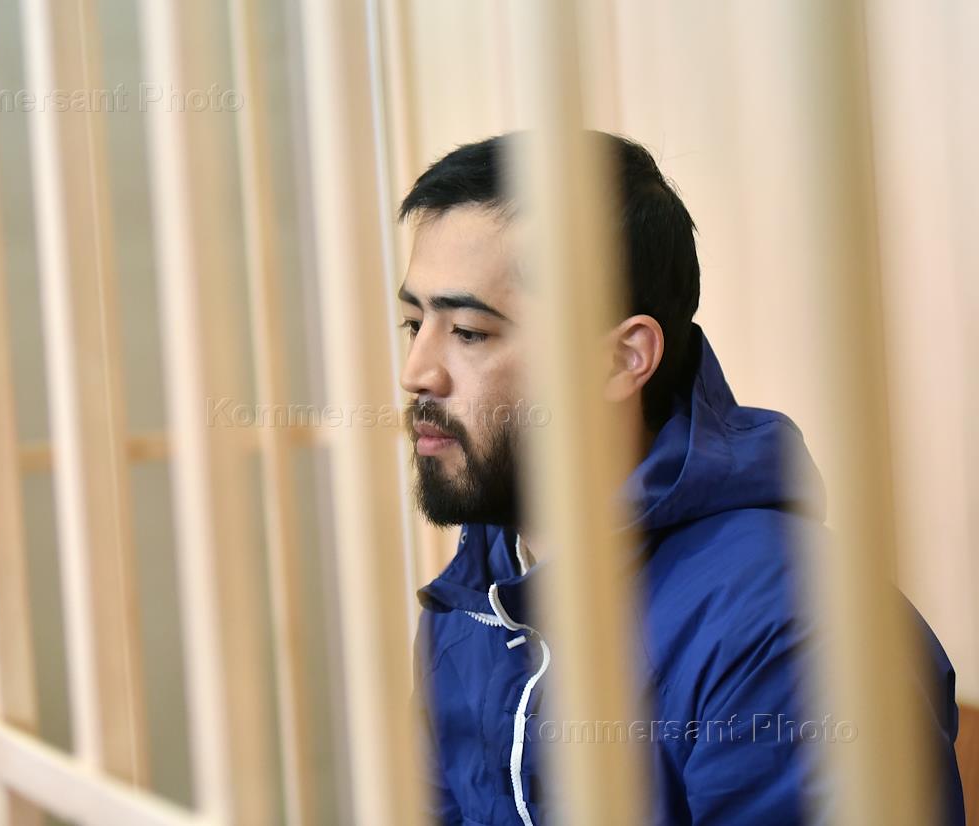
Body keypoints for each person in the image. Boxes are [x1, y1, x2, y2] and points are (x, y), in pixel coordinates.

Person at [399, 131, 964, 825]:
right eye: (413, 324)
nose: (416, 372)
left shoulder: (788, 627)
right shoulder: (473, 600)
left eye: (469, 332)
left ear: (622, 360)